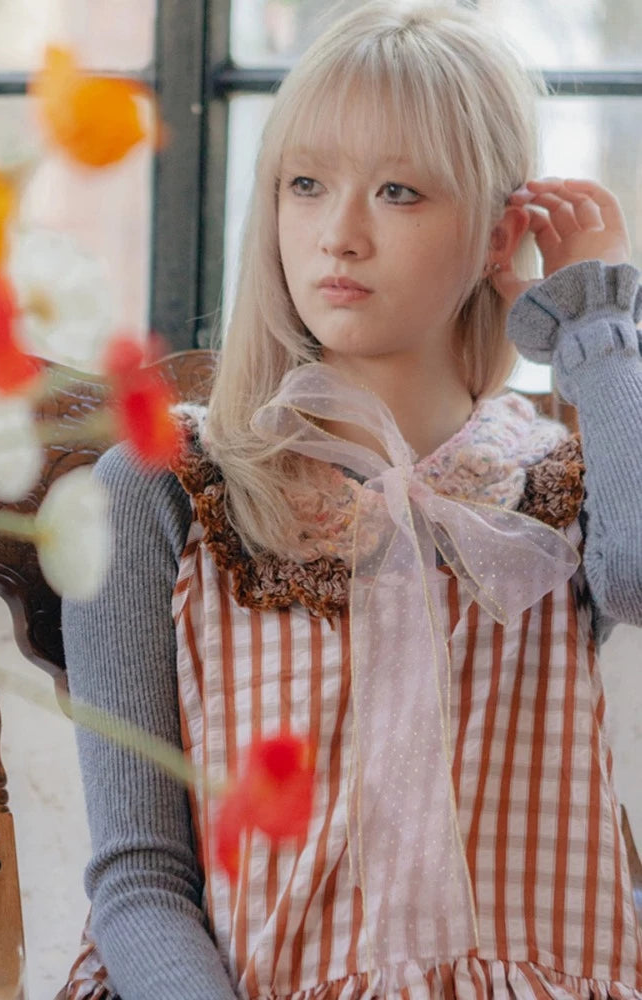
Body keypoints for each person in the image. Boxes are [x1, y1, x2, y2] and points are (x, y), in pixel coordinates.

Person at [58, 2, 642, 998]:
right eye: (306, 184)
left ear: (499, 234)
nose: (340, 234)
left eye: (399, 191)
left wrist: (596, 330)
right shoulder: (161, 489)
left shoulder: (551, 482)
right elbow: (140, 881)